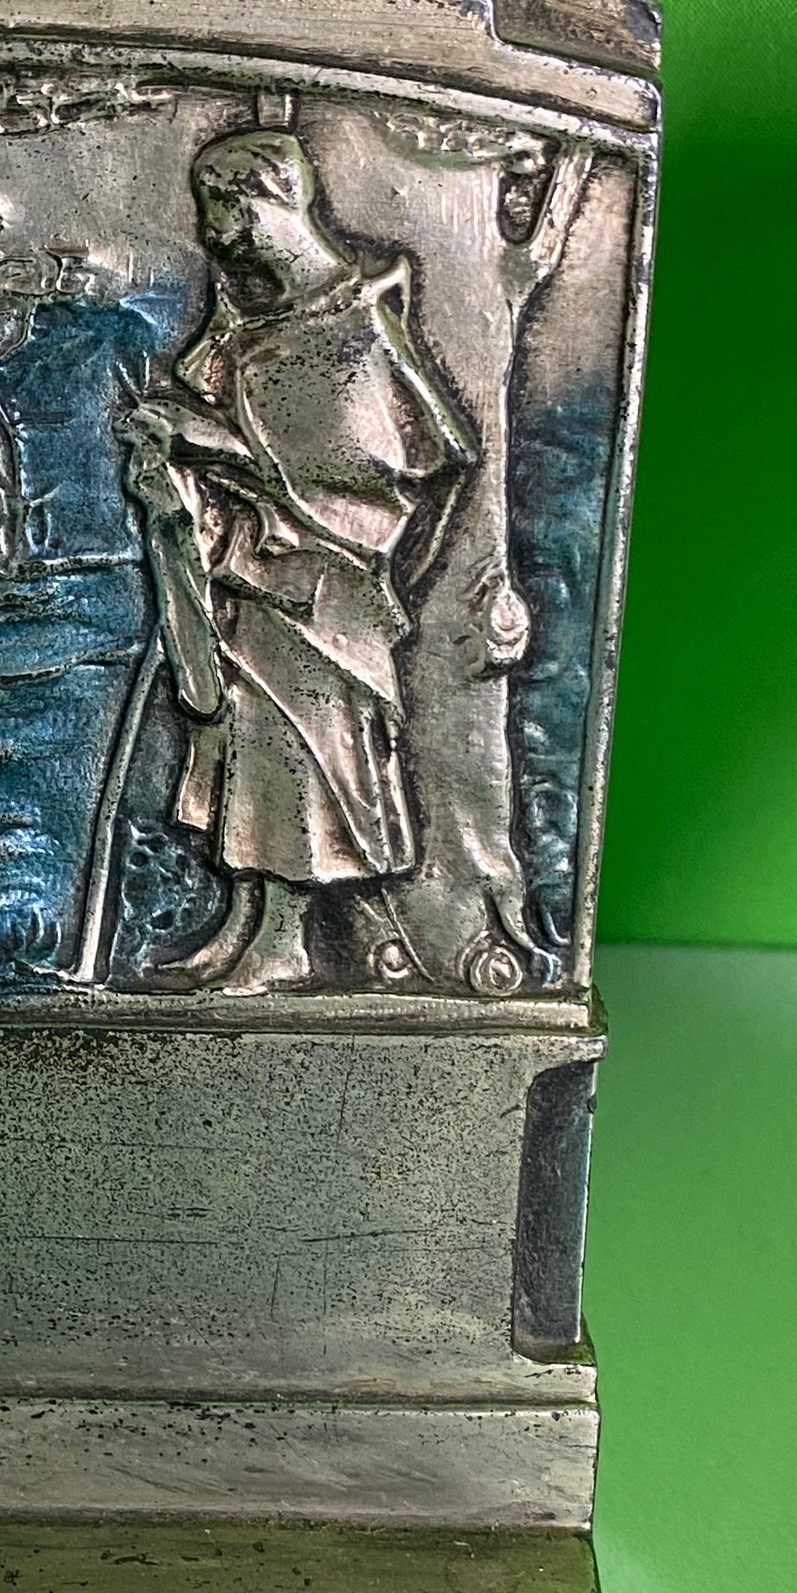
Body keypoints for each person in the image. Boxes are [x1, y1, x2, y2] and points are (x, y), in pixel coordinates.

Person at [120, 129, 475, 992]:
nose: (209, 231)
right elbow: (268, 453)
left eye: (218, 208)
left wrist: (204, 441)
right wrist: (183, 463)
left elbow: (371, 476)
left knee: (297, 752)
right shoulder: (254, 324)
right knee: (242, 745)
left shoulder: (352, 328)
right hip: (253, 577)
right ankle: (244, 922)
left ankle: (287, 942)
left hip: (321, 592)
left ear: (262, 201)